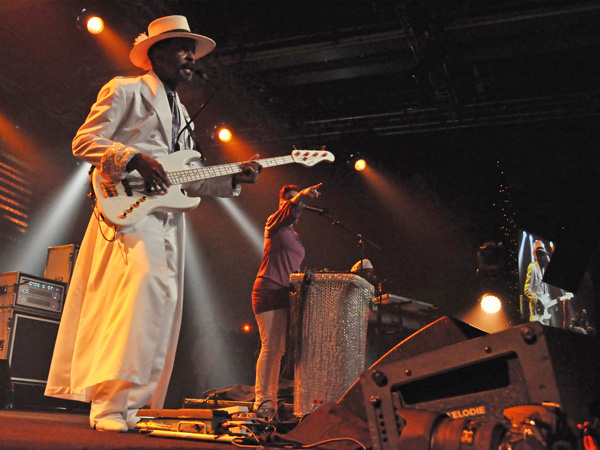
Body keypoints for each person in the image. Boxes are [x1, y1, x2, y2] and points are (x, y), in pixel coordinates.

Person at [44, 15, 261, 432]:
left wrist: (234, 179)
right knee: (141, 291)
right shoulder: (124, 89)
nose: (191, 58)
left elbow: (187, 177)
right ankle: (108, 404)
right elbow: (84, 141)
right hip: (128, 209)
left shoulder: (183, 115)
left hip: (167, 218)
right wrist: (133, 158)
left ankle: (135, 406)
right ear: (156, 53)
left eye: (193, 51)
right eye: (183, 48)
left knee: (161, 306)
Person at [252, 182, 322, 419]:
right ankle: (263, 400)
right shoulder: (273, 223)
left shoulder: (294, 235)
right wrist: (301, 195)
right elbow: (290, 210)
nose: (294, 203)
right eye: (289, 199)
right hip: (268, 288)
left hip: (285, 293)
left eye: (296, 200)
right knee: (270, 346)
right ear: (282, 203)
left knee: (279, 349)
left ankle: (270, 401)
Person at [524, 240, 573, 328]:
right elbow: (527, 289)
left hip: (545, 314)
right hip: (536, 311)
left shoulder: (544, 271)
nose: (541, 257)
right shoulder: (532, 267)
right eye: (539, 254)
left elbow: (546, 297)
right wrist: (537, 300)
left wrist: (556, 302)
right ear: (535, 255)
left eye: (543, 254)